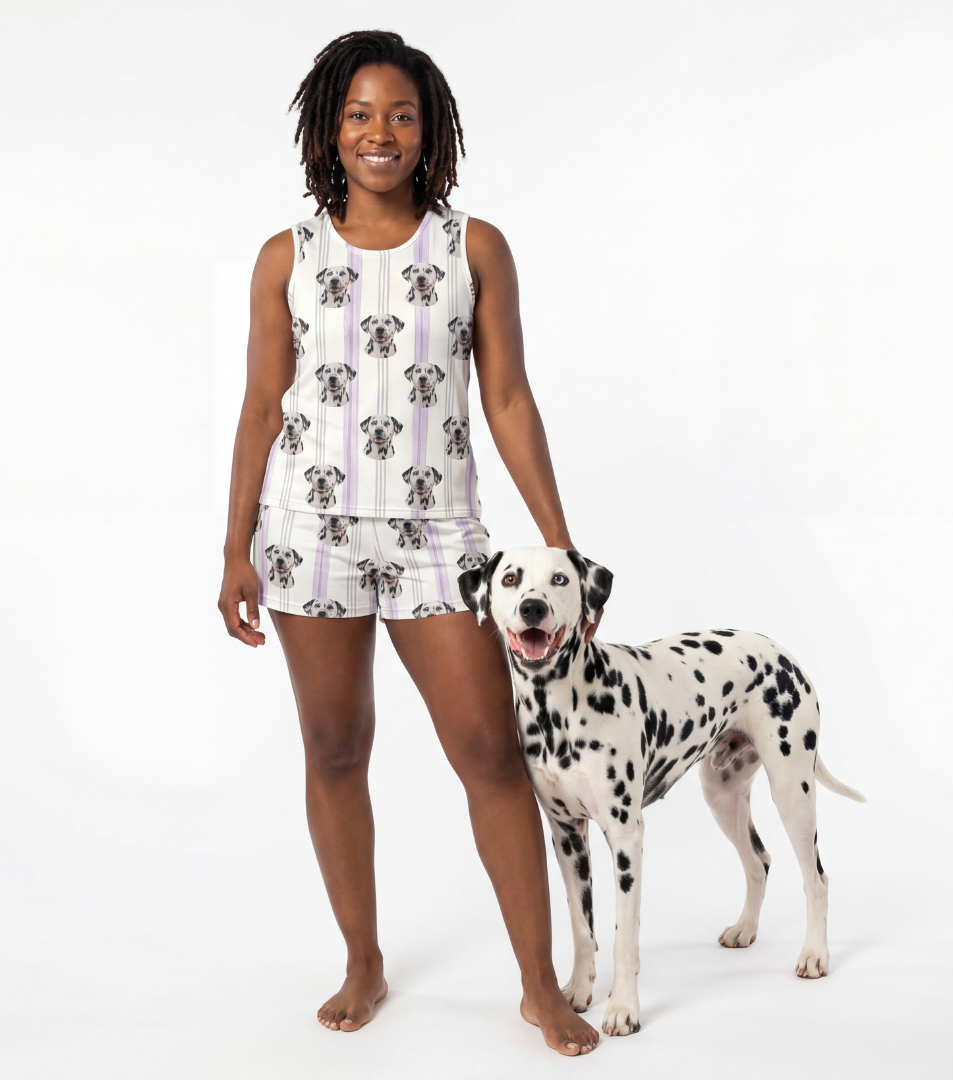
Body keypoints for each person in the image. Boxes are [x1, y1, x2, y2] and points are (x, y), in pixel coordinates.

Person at [217, 30, 600, 1056]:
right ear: (329, 131)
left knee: (487, 750)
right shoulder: (286, 260)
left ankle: (537, 984)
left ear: (429, 131)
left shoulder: (473, 249)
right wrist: (234, 549)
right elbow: (261, 407)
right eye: (360, 115)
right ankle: (363, 961)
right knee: (335, 747)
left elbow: (509, 399)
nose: (380, 133)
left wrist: (557, 551)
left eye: (401, 115)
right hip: (310, 541)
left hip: (439, 539)